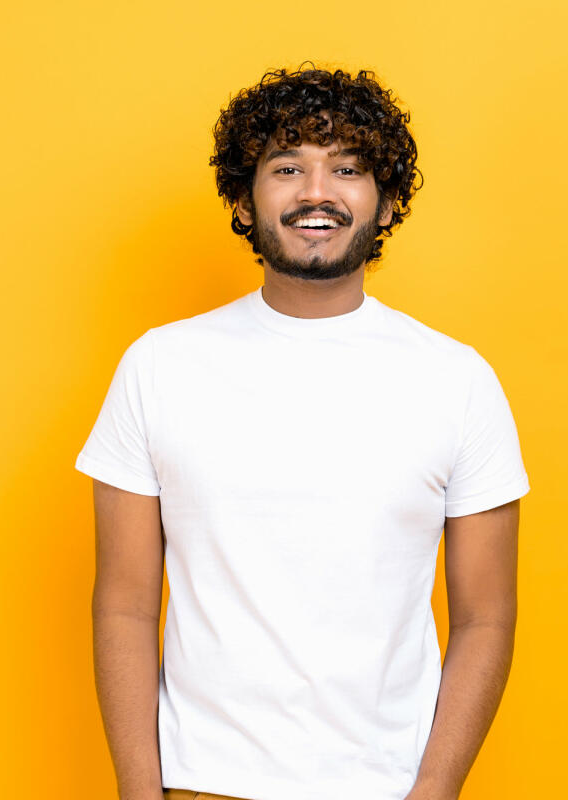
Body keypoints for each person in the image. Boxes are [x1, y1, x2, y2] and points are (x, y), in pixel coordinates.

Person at [77, 64, 531, 800]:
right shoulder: (158, 366)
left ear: (385, 205)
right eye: (287, 167)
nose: (316, 192)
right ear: (243, 198)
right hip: (205, 783)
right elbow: (124, 604)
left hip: (388, 788)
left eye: (347, 168)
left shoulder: (458, 380)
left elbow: (486, 618)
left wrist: (436, 788)